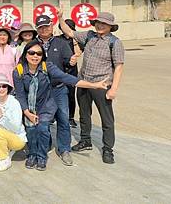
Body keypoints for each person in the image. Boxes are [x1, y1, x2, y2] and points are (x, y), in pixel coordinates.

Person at [13, 40, 108, 171]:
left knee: (43, 128)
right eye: (31, 53)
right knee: (31, 130)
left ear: (43, 56)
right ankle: (32, 154)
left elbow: (67, 78)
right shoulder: (18, 71)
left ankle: (41, 156)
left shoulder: (48, 67)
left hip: (46, 104)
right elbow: (20, 94)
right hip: (30, 105)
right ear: (25, 54)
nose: (35, 56)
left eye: (39, 54)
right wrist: (27, 112)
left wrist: (94, 85)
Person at [58, 10, 125, 164]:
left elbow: (119, 67)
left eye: (104, 24)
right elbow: (69, 31)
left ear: (110, 26)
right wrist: (60, 17)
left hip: (102, 85)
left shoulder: (115, 42)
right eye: (98, 22)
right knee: (84, 114)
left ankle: (108, 149)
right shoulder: (89, 36)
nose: (100, 25)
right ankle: (85, 140)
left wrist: (113, 89)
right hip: (84, 82)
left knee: (106, 118)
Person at [35, 14, 77, 166]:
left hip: (59, 89)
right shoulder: (33, 44)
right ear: (37, 29)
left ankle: (64, 149)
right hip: (41, 91)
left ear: (52, 26)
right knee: (43, 121)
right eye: (40, 27)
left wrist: (72, 61)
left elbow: (68, 63)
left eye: (46, 26)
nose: (44, 29)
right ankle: (45, 144)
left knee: (63, 119)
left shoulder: (60, 42)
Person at [57, 19, 83, 128]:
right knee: (58, 93)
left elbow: (78, 54)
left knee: (71, 95)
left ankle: (71, 117)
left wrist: (75, 41)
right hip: (60, 69)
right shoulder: (58, 39)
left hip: (72, 71)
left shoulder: (77, 40)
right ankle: (58, 115)